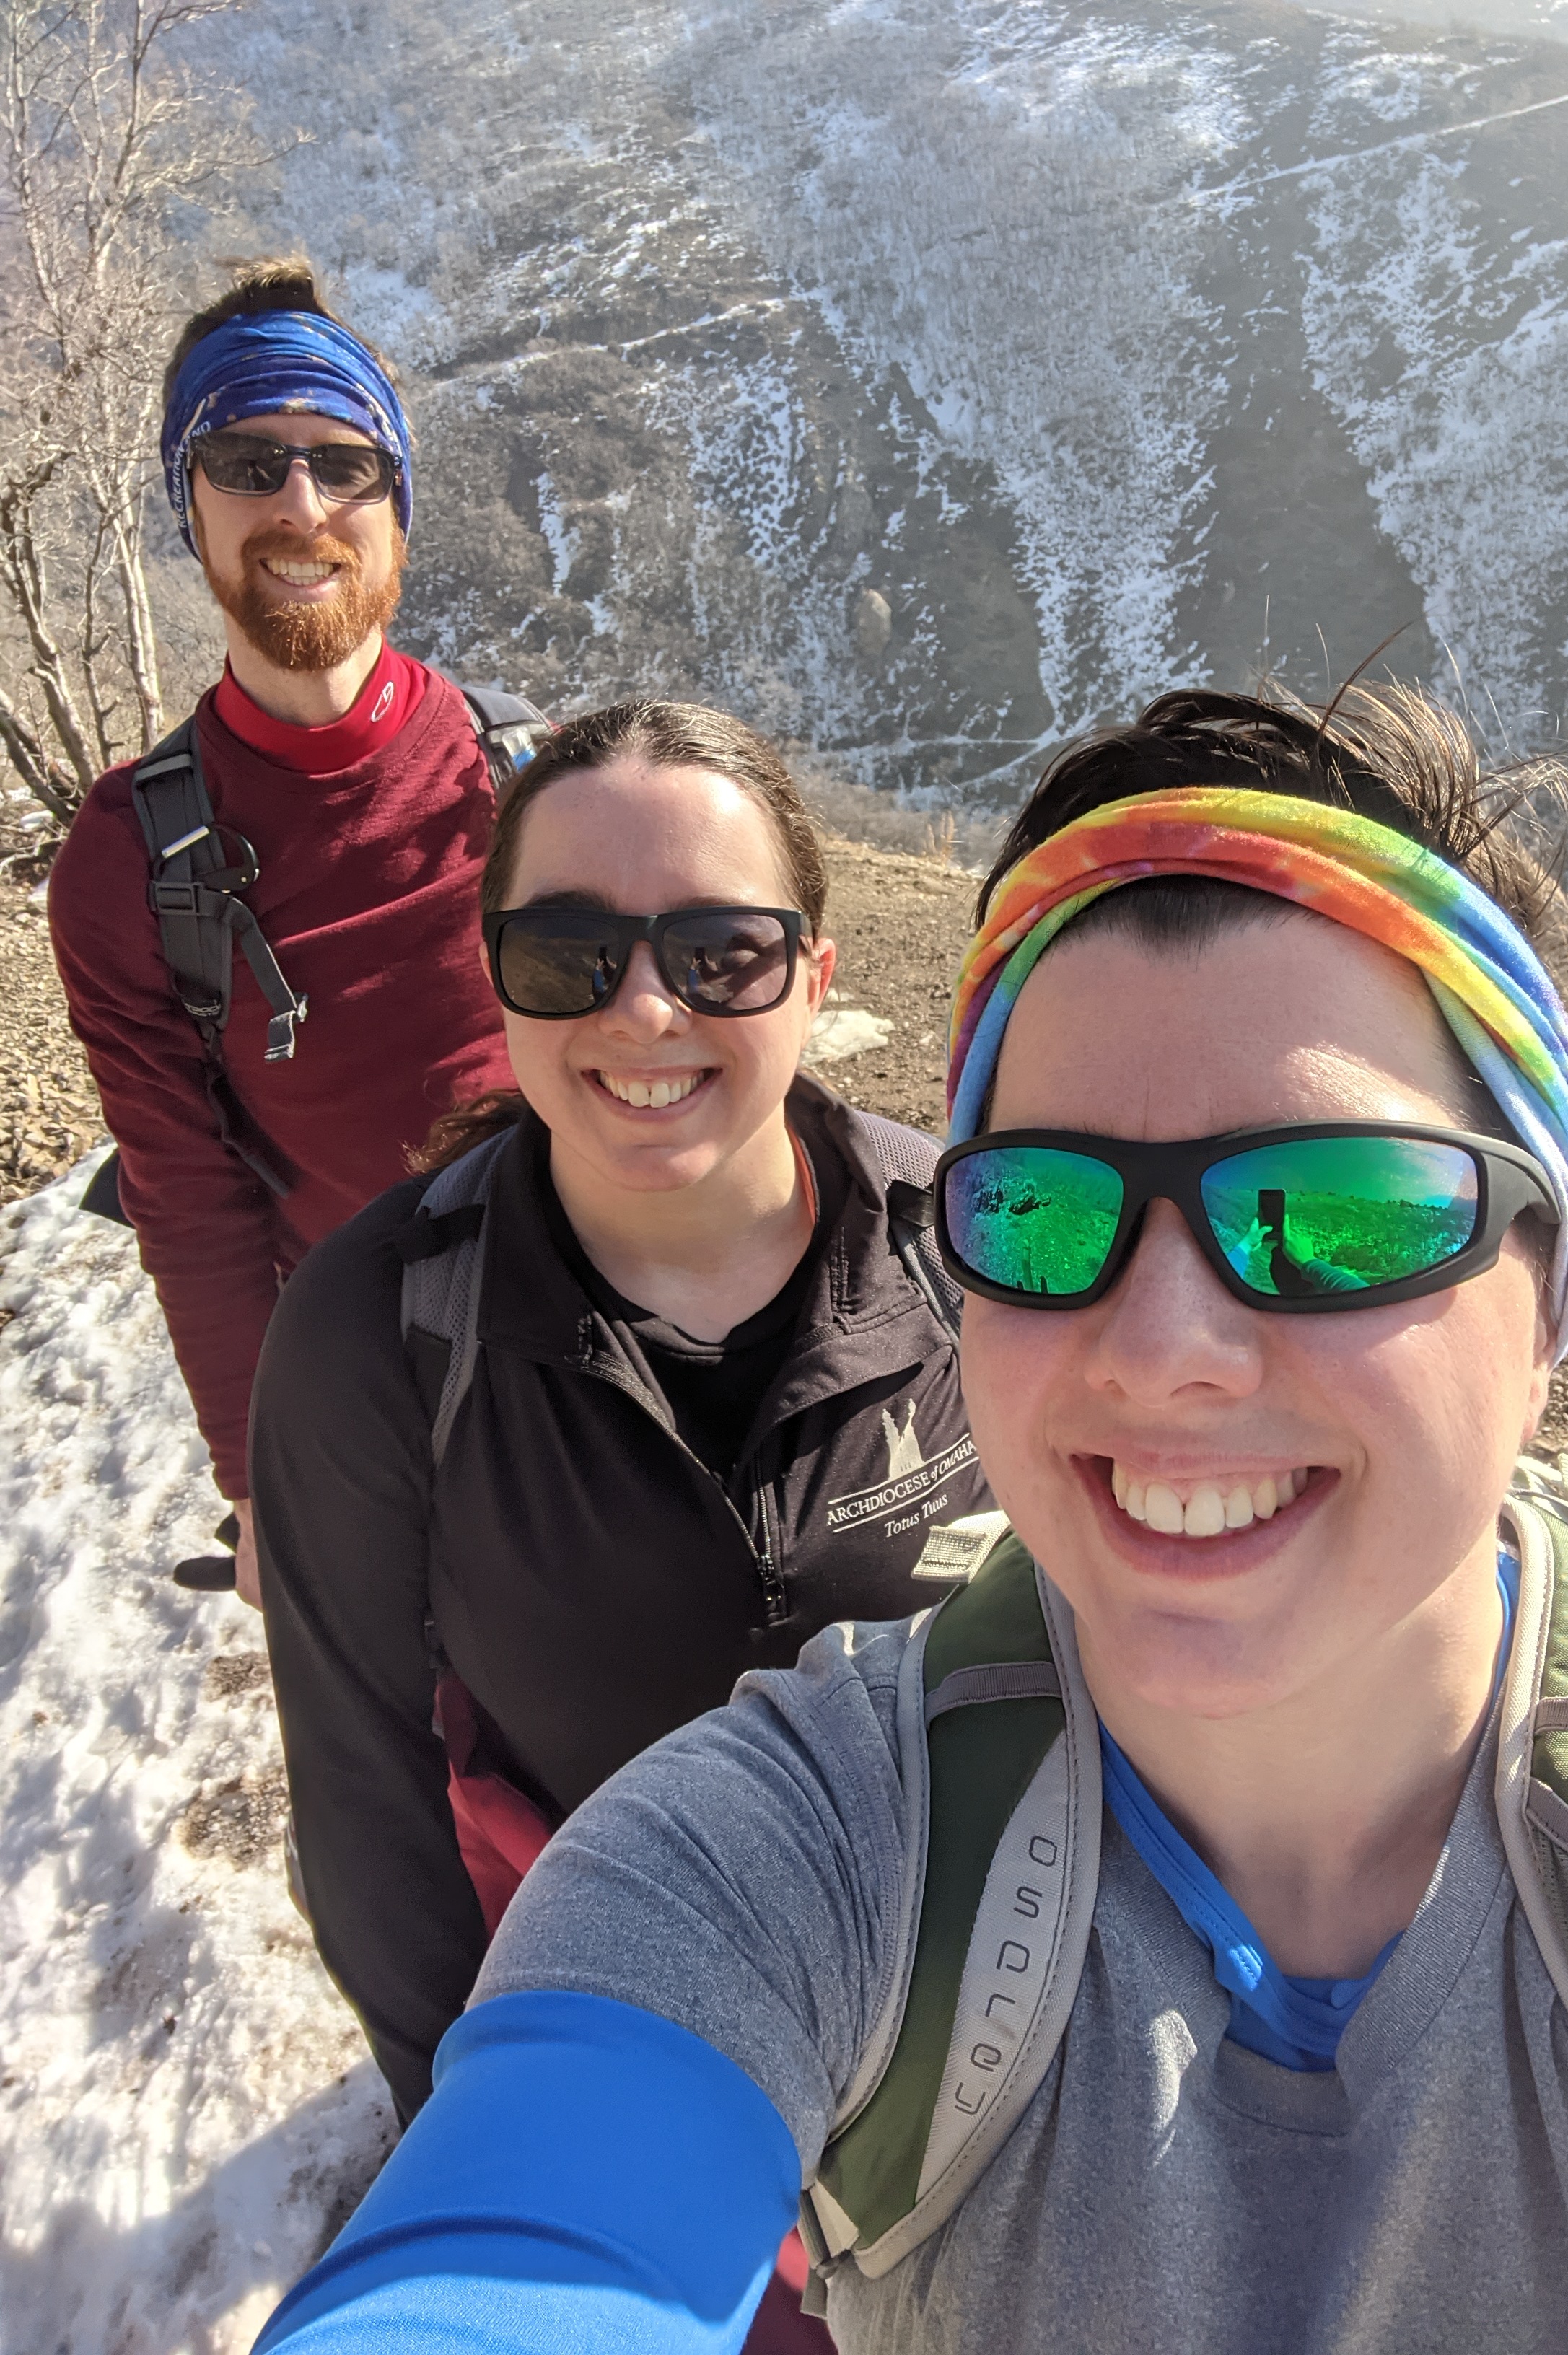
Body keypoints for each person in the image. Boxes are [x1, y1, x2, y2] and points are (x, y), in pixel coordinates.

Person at [253, 685, 1568, 2355]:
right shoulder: (783, 1844)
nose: (1169, 1349)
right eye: (1047, 1210)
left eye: (1339, 1212)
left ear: (1550, 1290)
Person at [251, 699, 994, 2141]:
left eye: (722, 952)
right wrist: (488, 2137)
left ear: (813, 975)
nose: (645, 1011)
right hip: (612, 2022)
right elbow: (365, 1801)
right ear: (499, 983)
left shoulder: (972, 1253)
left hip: (972, 2009)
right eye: (569, 955)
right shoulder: (381, 1332)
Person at [48, 257, 523, 1605]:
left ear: (398, 509)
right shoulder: (124, 864)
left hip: (599, 1338)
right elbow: (185, 1198)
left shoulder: (534, 779)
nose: (299, 504)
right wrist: (261, 1482)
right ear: (188, 509)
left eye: (344, 463)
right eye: (248, 461)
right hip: (365, 1395)